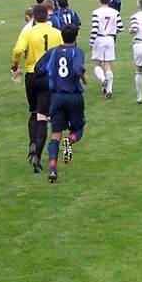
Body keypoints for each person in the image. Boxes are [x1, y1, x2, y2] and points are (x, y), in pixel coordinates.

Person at [12, 4, 65, 173]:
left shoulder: (28, 32)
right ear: (48, 16)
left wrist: (15, 66)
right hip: (48, 76)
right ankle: (37, 155)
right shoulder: (57, 33)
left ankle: (32, 144)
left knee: (34, 111)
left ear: (33, 16)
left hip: (31, 75)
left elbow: (18, 50)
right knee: (43, 115)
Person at [36, 23, 87, 184]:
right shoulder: (77, 52)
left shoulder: (53, 52)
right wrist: (83, 76)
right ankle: (70, 140)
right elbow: (78, 68)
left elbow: (39, 69)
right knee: (78, 128)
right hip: (73, 96)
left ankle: (52, 169)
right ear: (76, 38)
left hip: (56, 97)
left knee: (55, 134)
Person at [89, 0, 123, 99]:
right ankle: (109, 89)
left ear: (99, 1)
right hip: (110, 38)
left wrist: (91, 41)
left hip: (99, 38)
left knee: (96, 63)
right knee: (108, 64)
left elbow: (95, 29)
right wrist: (113, 31)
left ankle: (103, 79)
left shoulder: (96, 12)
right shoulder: (115, 12)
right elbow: (120, 27)